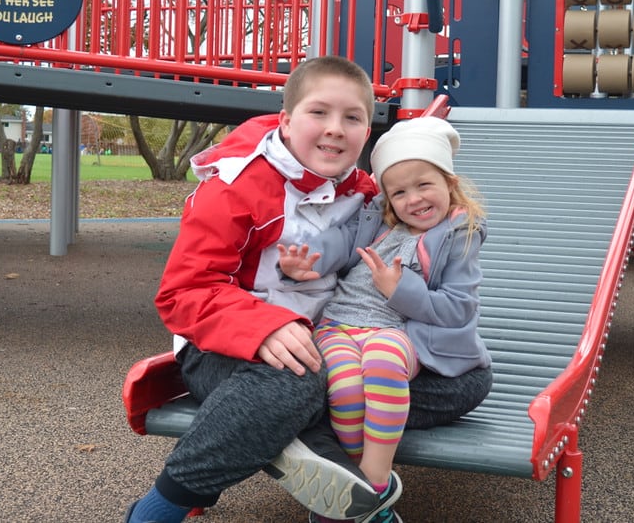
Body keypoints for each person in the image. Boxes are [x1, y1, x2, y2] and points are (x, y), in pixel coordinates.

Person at [125, 56, 389, 523]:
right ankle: (157, 510)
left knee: (458, 381)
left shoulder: (362, 193)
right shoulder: (237, 185)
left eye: (352, 118)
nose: (335, 129)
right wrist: (263, 327)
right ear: (286, 121)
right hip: (224, 349)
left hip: (325, 344)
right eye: (318, 113)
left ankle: (322, 466)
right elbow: (182, 292)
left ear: (367, 132)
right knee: (296, 382)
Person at [278, 116, 494, 523]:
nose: (413, 199)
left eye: (424, 185)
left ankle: (373, 488)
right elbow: (340, 242)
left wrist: (400, 290)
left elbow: (457, 309)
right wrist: (308, 259)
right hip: (339, 324)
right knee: (342, 387)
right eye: (399, 192)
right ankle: (350, 494)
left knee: (380, 366)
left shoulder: (459, 234)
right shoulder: (377, 221)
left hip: (395, 330)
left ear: (449, 183)